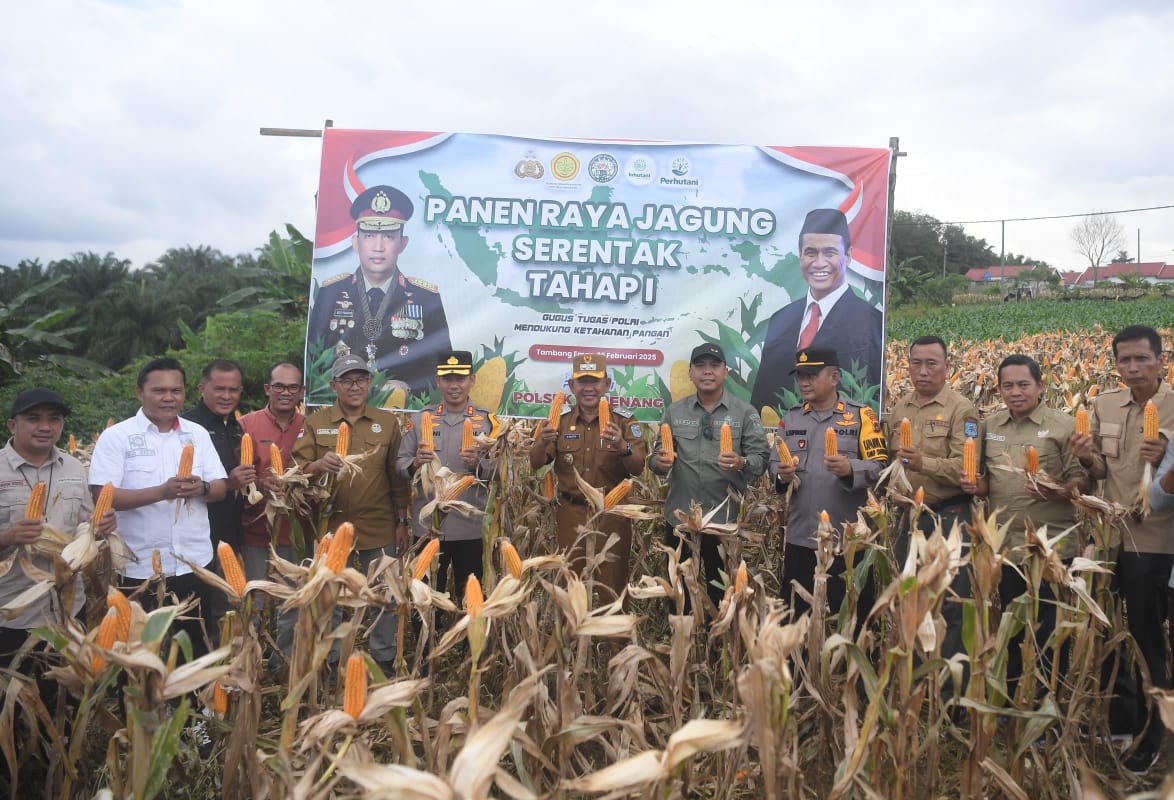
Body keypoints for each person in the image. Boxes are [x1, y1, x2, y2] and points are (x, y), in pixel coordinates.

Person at [1070, 324, 1174, 774]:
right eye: (1124, 360)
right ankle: (1122, 721)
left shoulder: (1172, 405)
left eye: (1141, 359)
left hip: (1154, 543)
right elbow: (1097, 472)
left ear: (1159, 360)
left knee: (1149, 639)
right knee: (1111, 635)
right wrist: (1083, 456)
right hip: (1108, 539)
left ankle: (1155, 733)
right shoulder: (1104, 403)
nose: (1132, 367)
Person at [960, 354, 1089, 691]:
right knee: (1011, 629)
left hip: (1052, 547)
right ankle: (1013, 699)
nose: (1015, 392)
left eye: (1023, 384)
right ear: (999, 388)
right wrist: (977, 486)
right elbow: (988, 481)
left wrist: (1055, 490)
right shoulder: (991, 427)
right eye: (1008, 386)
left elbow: (1083, 485)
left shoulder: (1063, 426)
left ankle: (1049, 702)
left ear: (1040, 386)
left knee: (1051, 631)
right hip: (1005, 549)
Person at [88, 358, 229, 659]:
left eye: (176, 390)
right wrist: (162, 492)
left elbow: (219, 487)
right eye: (159, 390)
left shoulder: (198, 434)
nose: (169, 397)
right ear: (139, 392)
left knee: (193, 645)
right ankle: (141, 704)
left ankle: (193, 704)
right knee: (137, 650)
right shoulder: (117, 437)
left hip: (193, 562)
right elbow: (103, 495)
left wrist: (202, 488)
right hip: (138, 567)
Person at [293, 353, 411, 672]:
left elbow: (398, 477)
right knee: (329, 595)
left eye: (361, 379)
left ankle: (384, 659)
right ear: (334, 385)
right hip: (331, 525)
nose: (355, 386)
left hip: (379, 523)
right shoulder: (316, 423)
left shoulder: (387, 423)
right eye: (347, 380)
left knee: (383, 594)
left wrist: (402, 521)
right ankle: (329, 661)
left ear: (370, 383)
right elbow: (297, 470)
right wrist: (318, 466)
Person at [770, 348, 887, 623]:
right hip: (802, 538)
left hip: (848, 541)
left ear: (835, 377)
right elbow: (773, 466)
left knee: (854, 620)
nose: (804, 382)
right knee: (796, 621)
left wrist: (850, 469)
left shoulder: (862, 417)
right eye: (800, 376)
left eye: (811, 375)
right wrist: (781, 475)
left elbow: (881, 468)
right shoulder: (791, 419)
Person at [1, 389, 117, 666]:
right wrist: (9, 536)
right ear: (13, 425)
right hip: (13, 611)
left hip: (68, 608)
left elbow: (85, 527)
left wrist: (100, 528)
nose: (45, 426)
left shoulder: (74, 468)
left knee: (63, 698)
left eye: (54, 419)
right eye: (34, 418)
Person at [651, 343, 769, 609]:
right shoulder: (674, 413)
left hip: (723, 522)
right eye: (700, 366)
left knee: (722, 595)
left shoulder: (745, 413)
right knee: (679, 596)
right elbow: (657, 459)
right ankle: (683, 643)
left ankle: (720, 647)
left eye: (714, 366)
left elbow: (761, 461)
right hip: (680, 520)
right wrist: (660, 461)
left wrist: (741, 462)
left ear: (725, 372)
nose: (707, 372)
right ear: (691, 373)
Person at [886, 335, 980, 668]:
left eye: (931, 364)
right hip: (907, 518)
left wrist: (923, 462)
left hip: (949, 516)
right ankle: (913, 683)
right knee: (909, 598)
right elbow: (887, 462)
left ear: (947, 368)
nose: (923, 371)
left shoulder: (961, 409)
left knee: (953, 602)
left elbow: (966, 469)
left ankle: (951, 690)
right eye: (916, 363)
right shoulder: (900, 409)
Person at [308, 184, 452, 394]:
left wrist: (408, 388)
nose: (378, 246)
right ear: (356, 243)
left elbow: (444, 367)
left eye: (388, 236)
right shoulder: (331, 293)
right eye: (369, 236)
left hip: (404, 413)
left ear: (402, 243)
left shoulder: (426, 298)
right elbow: (313, 360)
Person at [528, 354, 645, 601]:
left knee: (611, 587)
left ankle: (614, 640)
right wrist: (541, 442)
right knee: (570, 585)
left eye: (595, 381)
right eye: (582, 382)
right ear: (571, 386)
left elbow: (638, 468)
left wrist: (623, 445)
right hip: (572, 514)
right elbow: (537, 463)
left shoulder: (624, 421)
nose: (589, 388)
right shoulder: (558, 421)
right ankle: (570, 640)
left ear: (607, 384)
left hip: (612, 516)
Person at [751, 208, 883, 414]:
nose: (819, 263)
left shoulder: (871, 321)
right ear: (800, 255)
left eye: (830, 253)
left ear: (848, 256)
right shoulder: (781, 319)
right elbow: (761, 399)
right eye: (811, 252)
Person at [398, 351, 501, 602]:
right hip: (428, 526)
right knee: (424, 593)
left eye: (460, 378)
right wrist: (415, 465)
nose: (454, 385)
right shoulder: (421, 418)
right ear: (437, 381)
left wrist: (480, 464)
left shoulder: (489, 422)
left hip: (470, 527)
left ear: (472, 380)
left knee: (470, 594)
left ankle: (468, 640)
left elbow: (502, 472)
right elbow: (399, 463)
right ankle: (429, 639)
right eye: (447, 378)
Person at [182, 359, 255, 646]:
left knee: (225, 609)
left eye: (233, 390)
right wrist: (229, 482)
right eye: (219, 389)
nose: (227, 396)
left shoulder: (236, 427)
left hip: (232, 533)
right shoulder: (187, 428)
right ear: (202, 388)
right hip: (199, 537)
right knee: (200, 610)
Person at [239, 362, 306, 671]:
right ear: (267, 389)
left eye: (293, 387)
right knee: (255, 601)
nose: (285, 393)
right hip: (255, 530)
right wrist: (257, 483)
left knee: (292, 603)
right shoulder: (246, 425)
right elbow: (234, 477)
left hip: (295, 531)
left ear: (301, 392)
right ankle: (249, 663)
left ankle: (285, 666)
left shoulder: (309, 426)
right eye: (279, 386)